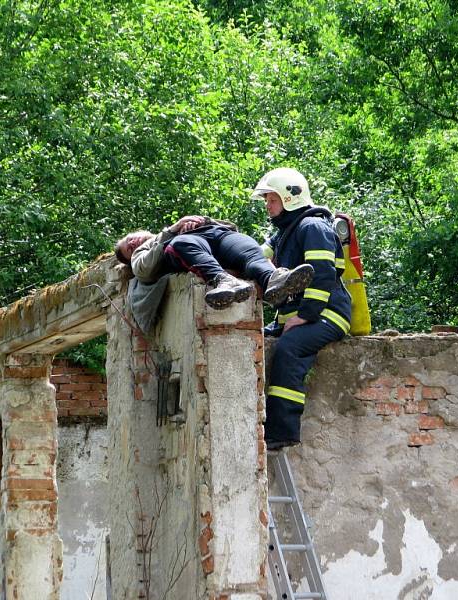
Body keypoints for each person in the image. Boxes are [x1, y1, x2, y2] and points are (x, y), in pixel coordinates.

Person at [252, 168, 352, 450]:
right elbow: (256, 257)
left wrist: (305, 315)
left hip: (328, 314)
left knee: (289, 349)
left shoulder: (313, 227)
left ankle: (281, 432)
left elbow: (321, 274)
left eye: (271, 200)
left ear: (289, 198)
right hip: (303, 316)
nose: (267, 206)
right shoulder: (285, 233)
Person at [114, 215, 314, 310]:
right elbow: (144, 270)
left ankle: (273, 278)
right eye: (128, 248)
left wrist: (201, 221)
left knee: (248, 248)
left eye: (129, 238)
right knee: (182, 242)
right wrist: (174, 229)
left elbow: (232, 227)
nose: (132, 242)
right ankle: (224, 281)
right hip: (187, 244)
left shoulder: (185, 223)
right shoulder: (146, 249)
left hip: (217, 235)